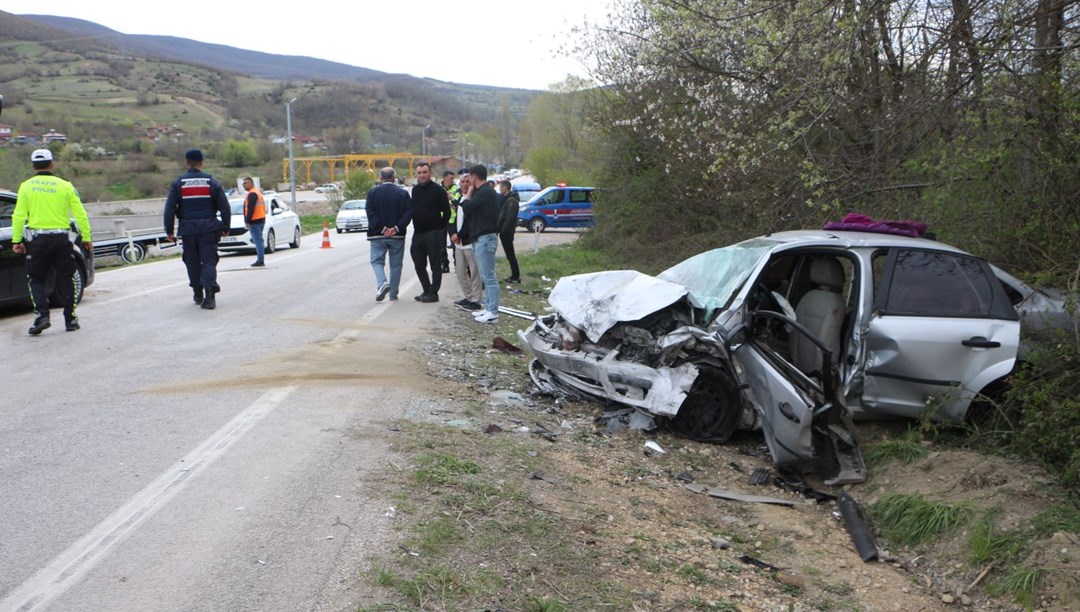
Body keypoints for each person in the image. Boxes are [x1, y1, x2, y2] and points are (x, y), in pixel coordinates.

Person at [11, 148, 93, 334]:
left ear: (33, 166)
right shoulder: (65, 185)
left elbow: (18, 216)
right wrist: (87, 237)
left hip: (38, 240)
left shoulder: (26, 186)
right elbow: (80, 214)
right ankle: (70, 319)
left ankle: (42, 316)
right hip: (61, 239)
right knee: (66, 278)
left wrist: (16, 240)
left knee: (36, 279)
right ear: (52, 164)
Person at [163, 149, 231, 310]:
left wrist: (169, 230)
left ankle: (197, 293)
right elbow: (225, 207)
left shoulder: (178, 182)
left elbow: (170, 209)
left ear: (186, 162)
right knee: (209, 261)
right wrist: (226, 226)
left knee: (192, 261)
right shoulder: (211, 181)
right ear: (202, 163)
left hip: (188, 230)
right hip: (209, 229)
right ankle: (210, 296)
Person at [459, 164, 501, 324]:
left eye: (469, 177)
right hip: (481, 238)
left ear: (474, 177)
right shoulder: (484, 192)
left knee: (489, 277)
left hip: (485, 238)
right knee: (485, 276)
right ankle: (489, 307)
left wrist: (468, 194)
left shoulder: (485, 192)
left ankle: (493, 312)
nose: (468, 181)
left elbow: (467, 207)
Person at [365, 167, 413, 302]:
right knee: (396, 265)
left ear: (381, 178)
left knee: (376, 261)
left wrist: (382, 229)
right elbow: (408, 213)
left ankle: (382, 283)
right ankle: (393, 294)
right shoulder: (403, 193)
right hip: (397, 236)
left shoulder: (372, 193)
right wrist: (396, 228)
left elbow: (370, 213)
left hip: (377, 235)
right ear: (394, 177)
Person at [409, 163, 451, 302]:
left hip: (434, 232)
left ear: (430, 173)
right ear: (416, 174)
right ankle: (426, 290)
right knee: (418, 264)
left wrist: (439, 228)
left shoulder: (438, 190)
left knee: (435, 265)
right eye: (419, 172)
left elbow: (447, 212)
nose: (422, 175)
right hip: (418, 233)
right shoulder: (415, 190)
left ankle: (434, 293)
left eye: (424, 172)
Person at [449, 168, 483, 313]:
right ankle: (469, 297)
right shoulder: (461, 199)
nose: (464, 184)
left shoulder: (474, 199)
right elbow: (456, 219)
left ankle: (476, 300)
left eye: (467, 181)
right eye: (462, 181)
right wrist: (453, 234)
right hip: (458, 243)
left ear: (472, 182)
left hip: (469, 241)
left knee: (474, 273)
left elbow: (470, 222)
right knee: (460, 272)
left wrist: (460, 235)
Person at [496, 180, 521, 283]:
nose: (500, 189)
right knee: (509, 254)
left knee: (510, 254)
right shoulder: (507, 199)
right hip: (505, 231)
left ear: (505, 187)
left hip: (507, 232)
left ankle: (516, 276)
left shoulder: (512, 201)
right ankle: (514, 275)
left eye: (501, 187)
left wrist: (503, 230)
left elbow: (509, 218)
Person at [242, 176, 267, 267]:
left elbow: (250, 209)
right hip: (260, 219)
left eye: (245, 183)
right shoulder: (256, 192)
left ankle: (260, 260)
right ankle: (260, 259)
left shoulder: (252, 194)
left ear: (251, 184)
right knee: (258, 240)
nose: (243, 185)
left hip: (255, 220)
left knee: (258, 241)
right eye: (243, 183)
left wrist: (247, 220)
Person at [440, 170, 459, 273]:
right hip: (441, 220)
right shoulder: (439, 189)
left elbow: (458, 201)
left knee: (455, 243)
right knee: (441, 244)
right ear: (445, 178)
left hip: (453, 220)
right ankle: (445, 264)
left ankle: (457, 264)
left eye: (453, 178)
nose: (453, 180)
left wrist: (451, 199)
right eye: (451, 178)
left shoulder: (456, 188)